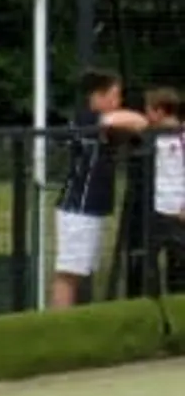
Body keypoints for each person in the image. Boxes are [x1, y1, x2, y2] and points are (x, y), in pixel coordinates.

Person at [51, 67, 148, 308]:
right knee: (68, 274)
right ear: (99, 96)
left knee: (81, 271)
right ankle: (55, 327)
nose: (119, 101)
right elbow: (137, 120)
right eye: (114, 95)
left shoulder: (106, 126)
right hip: (78, 209)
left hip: (92, 209)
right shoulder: (88, 119)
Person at [144, 85, 185, 294]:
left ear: (160, 111)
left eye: (148, 110)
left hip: (177, 210)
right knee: (149, 261)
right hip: (157, 207)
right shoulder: (153, 136)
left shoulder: (181, 135)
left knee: (179, 263)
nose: (146, 115)